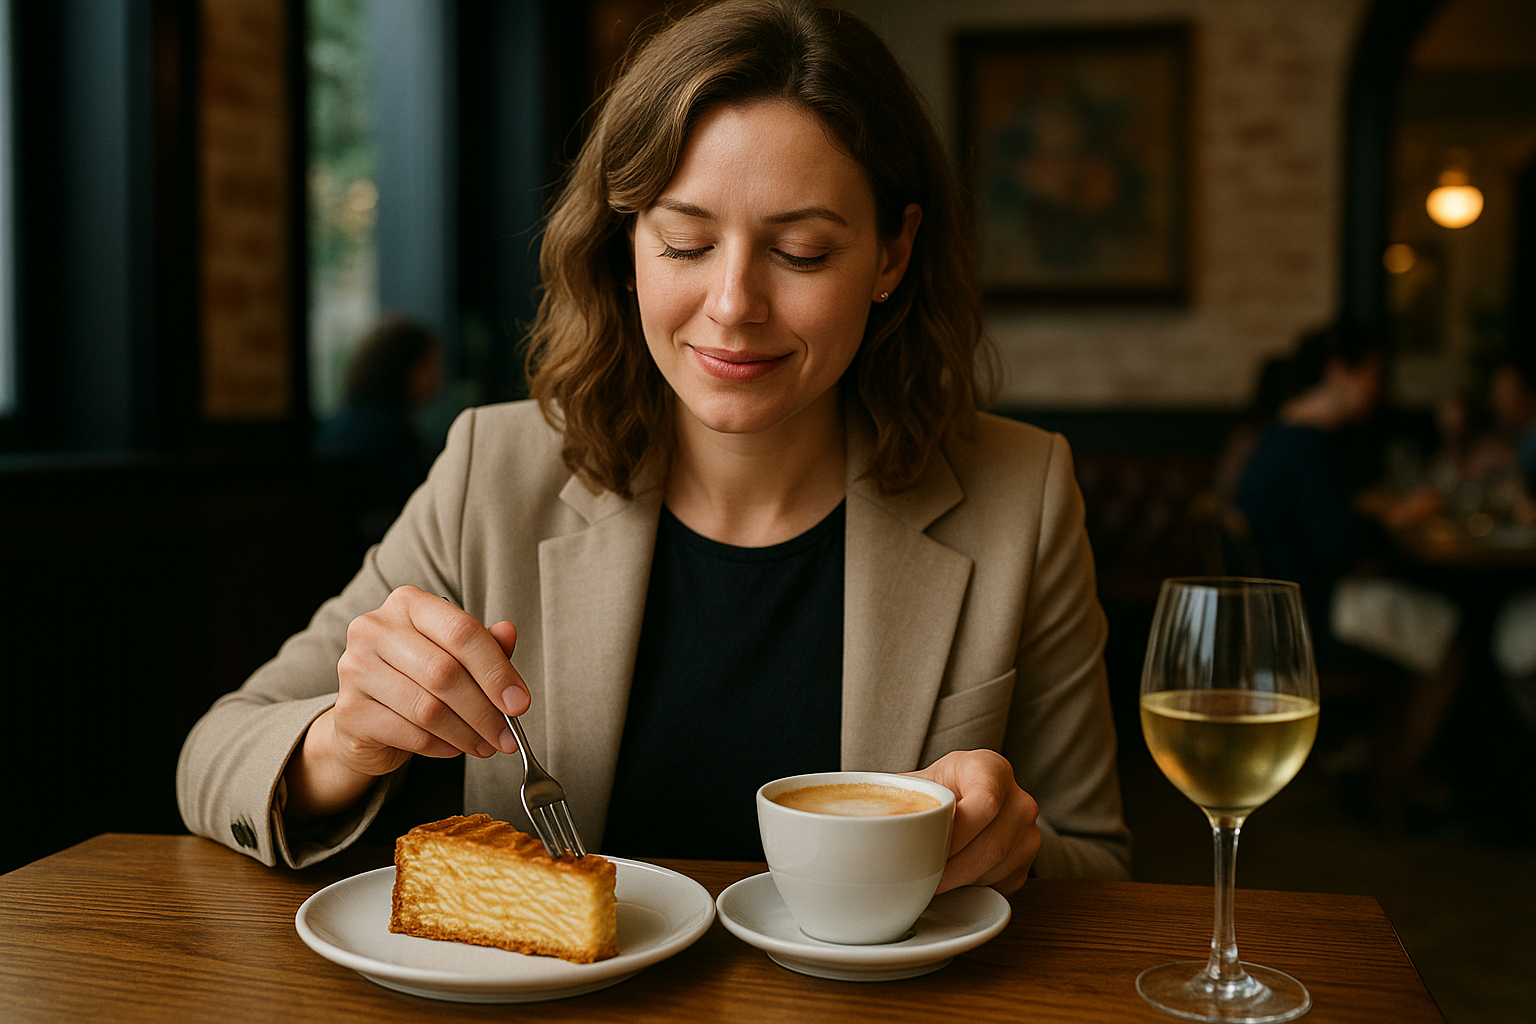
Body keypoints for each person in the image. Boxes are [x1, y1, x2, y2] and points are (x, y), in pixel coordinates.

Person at [177, 0, 1129, 891]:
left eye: (801, 252)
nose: (731, 306)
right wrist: (346, 742)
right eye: (683, 243)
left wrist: (1016, 847)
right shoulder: (493, 471)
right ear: (625, 246)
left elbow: (1102, 861)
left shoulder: (1022, 491)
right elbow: (214, 757)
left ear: (891, 255)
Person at [314, 314, 446, 545]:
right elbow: (420, 517)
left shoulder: (337, 424)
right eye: (429, 364)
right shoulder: (393, 437)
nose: (438, 378)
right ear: (402, 368)